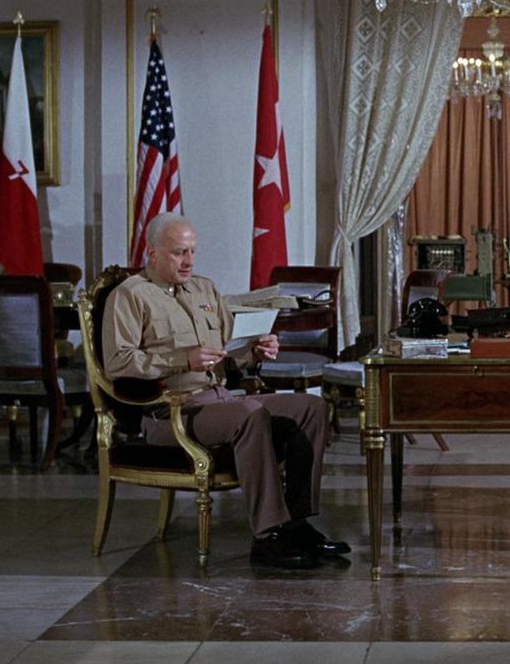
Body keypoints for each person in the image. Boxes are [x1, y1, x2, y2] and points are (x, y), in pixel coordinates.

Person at [102, 213, 348, 570]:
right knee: (249, 414)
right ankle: (268, 535)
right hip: (171, 412)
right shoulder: (130, 296)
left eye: (192, 251)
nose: (188, 261)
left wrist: (254, 350)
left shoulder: (204, 290)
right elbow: (118, 363)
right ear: (152, 253)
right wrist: (181, 359)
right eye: (178, 253)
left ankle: (297, 524)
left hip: (220, 399)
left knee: (311, 407)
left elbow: (228, 352)